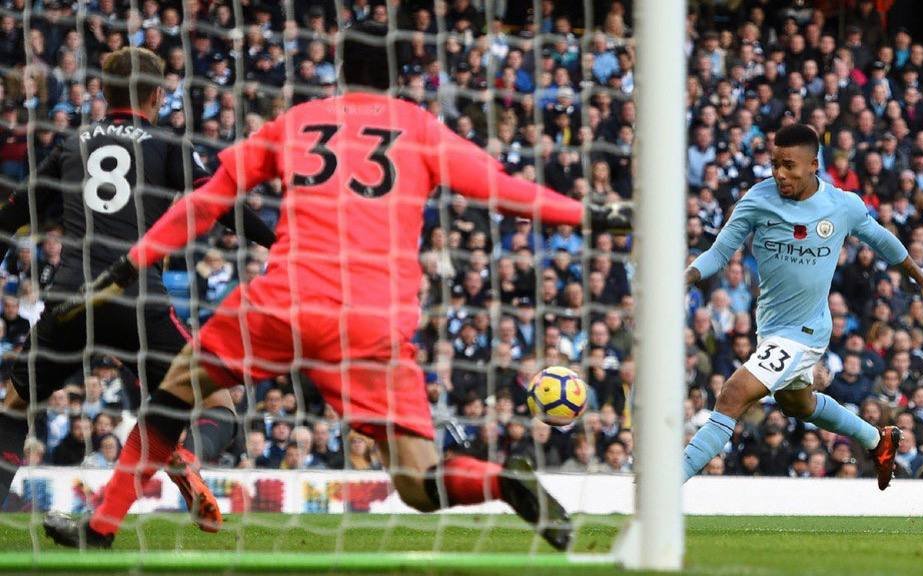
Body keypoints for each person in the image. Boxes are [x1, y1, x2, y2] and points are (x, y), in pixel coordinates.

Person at [43, 22, 612, 551]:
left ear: (339, 67)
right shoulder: (418, 128)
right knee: (419, 485)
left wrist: (131, 263)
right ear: (399, 72)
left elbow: (209, 200)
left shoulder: (298, 121)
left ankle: (101, 526)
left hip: (284, 301)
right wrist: (587, 215)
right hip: (373, 322)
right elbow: (502, 189)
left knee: (173, 395)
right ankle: (499, 482)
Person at [0, 48, 275, 530]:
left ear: (103, 94)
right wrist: (278, 240)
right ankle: (188, 455)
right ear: (157, 94)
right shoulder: (166, 144)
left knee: (16, 407)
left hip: (70, 298)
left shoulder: (71, 142)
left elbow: (12, 217)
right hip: (136, 300)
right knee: (215, 400)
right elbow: (219, 202)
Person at [681, 124, 923, 492]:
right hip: (771, 327)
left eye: (789, 165)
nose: (779, 173)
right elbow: (720, 253)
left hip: (806, 331)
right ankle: (876, 440)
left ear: (813, 165)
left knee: (732, 395)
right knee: (798, 405)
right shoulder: (758, 201)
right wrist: (687, 276)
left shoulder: (842, 206)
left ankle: (663, 487)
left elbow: (883, 241)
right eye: (775, 164)